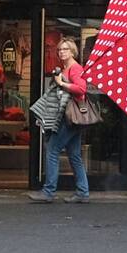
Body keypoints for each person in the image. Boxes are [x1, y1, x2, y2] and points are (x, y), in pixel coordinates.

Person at [32, 37, 91, 204]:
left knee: (52, 150)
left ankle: (48, 191)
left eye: (65, 49)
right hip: (69, 117)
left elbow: (81, 89)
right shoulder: (66, 68)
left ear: (73, 51)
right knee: (74, 155)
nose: (62, 52)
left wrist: (61, 83)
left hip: (69, 117)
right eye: (60, 50)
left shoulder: (74, 69)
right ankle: (82, 192)